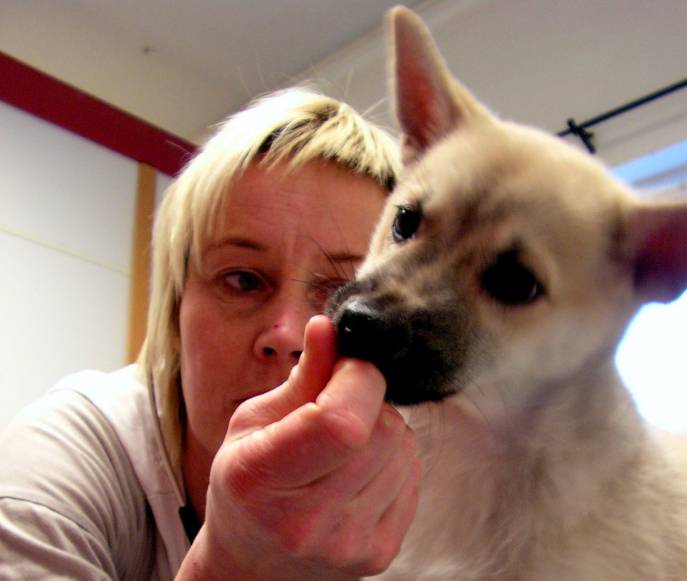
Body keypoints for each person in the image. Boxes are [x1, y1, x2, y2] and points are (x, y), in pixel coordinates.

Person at [0, 87, 420, 580]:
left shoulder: (421, 503)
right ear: (175, 310)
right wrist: (236, 564)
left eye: (341, 296)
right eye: (241, 280)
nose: (287, 335)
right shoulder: (64, 463)